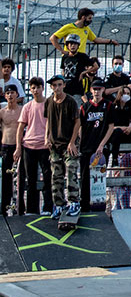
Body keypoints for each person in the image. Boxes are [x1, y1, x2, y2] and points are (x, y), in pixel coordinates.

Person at [44, 75, 80, 220]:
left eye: (59, 85)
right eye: (54, 85)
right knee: (56, 175)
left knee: (71, 170)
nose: (57, 88)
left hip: (68, 143)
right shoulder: (48, 102)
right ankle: (59, 204)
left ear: (64, 85)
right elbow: (48, 120)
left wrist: (72, 142)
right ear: (51, 87)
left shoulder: (71, 101)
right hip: (55, 144)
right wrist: (46, 136)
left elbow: (77, 122)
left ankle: (74, 202)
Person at [15, 77, 52, 215]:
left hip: (45, 146)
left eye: (38, 87)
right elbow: (20, 128)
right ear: (30, 90)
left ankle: (48, 207)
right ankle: (31, 209)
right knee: (30, 179)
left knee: (48, 178)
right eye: (33, 88)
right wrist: (18, 147)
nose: (36, 90)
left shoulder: (49, 104)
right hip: (29, 146)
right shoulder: (27, 106)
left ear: (43, 88)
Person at [78, 80, 113, 212]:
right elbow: (79, 126)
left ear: (103, 90)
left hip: (101, 148)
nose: (97, 92)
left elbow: (111, 127)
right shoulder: (85, 107)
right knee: (85, 177)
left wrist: (102, 145)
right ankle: (84, 205)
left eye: (99, 89)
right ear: (91, 90)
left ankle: (99, 204)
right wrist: (81, 140)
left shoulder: (108, 105)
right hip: (87, 146)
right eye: (95, 89)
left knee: (99, 177)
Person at [49, 7, 118, 55]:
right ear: (83, 17)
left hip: (81, 57)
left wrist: (110, 41)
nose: (90, 20)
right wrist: (62, 50)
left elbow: (96, 39)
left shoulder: (86, 29)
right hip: (69, 57)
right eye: (89, 18)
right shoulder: (68, 27)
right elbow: (53, 38)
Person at [0, 85, 23, 214]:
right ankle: (5, 208)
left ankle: (20, 208)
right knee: (6, 178)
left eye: (12, 93)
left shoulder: (22, 110)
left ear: (17, 94)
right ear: (5, 95)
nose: (10, 95)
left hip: (19, 146)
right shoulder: (2, 112)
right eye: (8, 93)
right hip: (5, 147)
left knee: (19, 178)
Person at [105, 86, 131, 164]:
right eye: (124, 93)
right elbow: (109, 126)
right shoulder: (112, 106)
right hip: (115, 133)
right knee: (118, 131)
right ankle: (114, 160)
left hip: (126, 132)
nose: (126, 95)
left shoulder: (130, 107)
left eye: (128, 93)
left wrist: (130, 127)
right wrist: (122, 128)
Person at [60, 35, 90, 106]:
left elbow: (95, 66)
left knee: (77, 108)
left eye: (75, 44)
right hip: (66, 88)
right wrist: (62, 80)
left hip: (77, 88)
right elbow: (63, 70)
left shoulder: (82, 56)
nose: (73, 46)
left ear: (78, 45)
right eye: (70, 44)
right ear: (67, 46)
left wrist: (83, 73)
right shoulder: (65, 57)